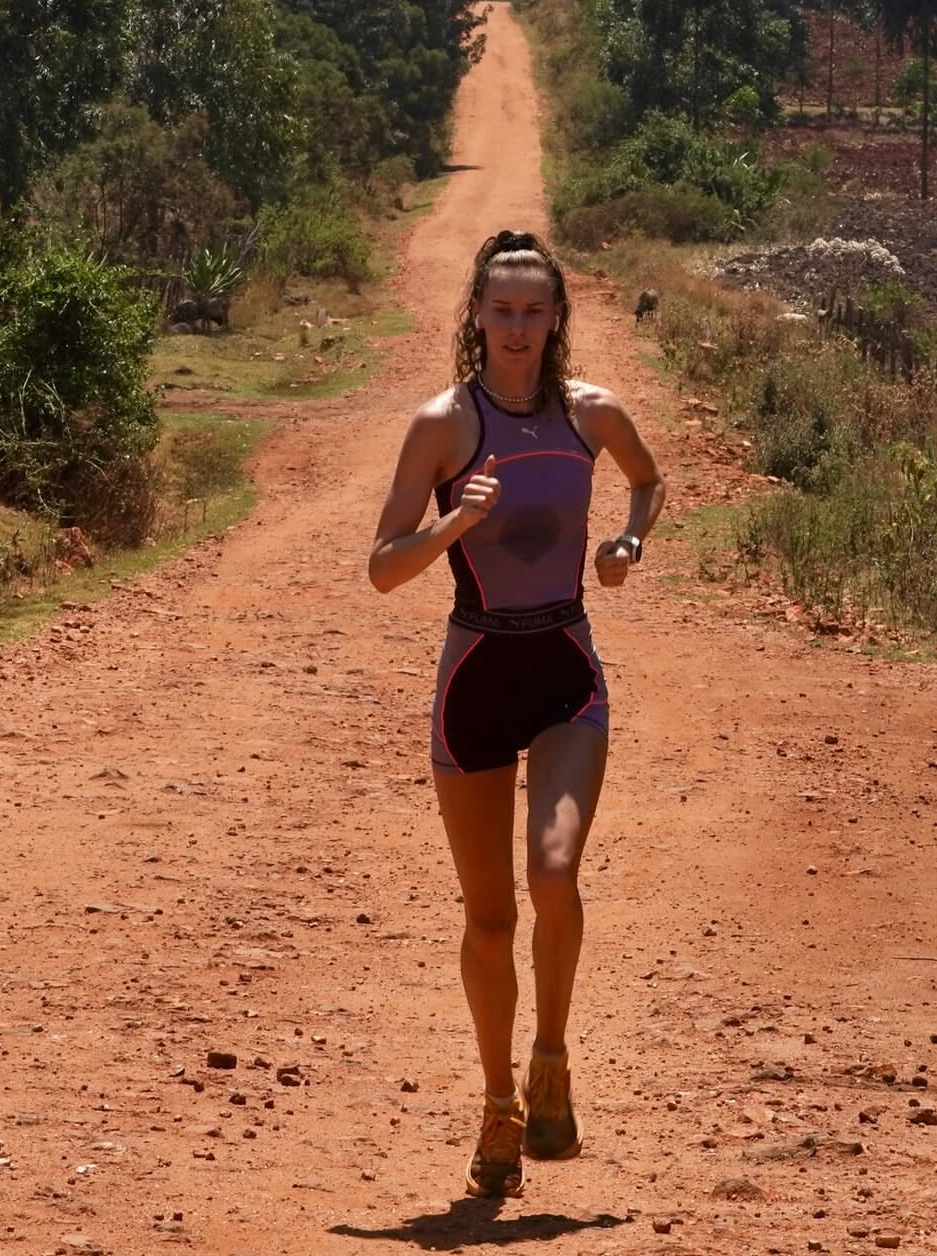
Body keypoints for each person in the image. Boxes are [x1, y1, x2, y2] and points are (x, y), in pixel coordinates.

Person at [368, 229, 665, 1198]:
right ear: (476, 316)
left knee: (554, 870)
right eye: (502, 309)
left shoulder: (591, 413)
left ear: (556, 317)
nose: (518, 327)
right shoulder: (444, 425)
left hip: (565, 672)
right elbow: (383, 567)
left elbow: (647, 478)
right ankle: (497, 1104)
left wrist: (627, 541)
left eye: (535, 310)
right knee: (489, 918)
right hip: (475, 680)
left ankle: (551, 1062)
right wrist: (454, 521)